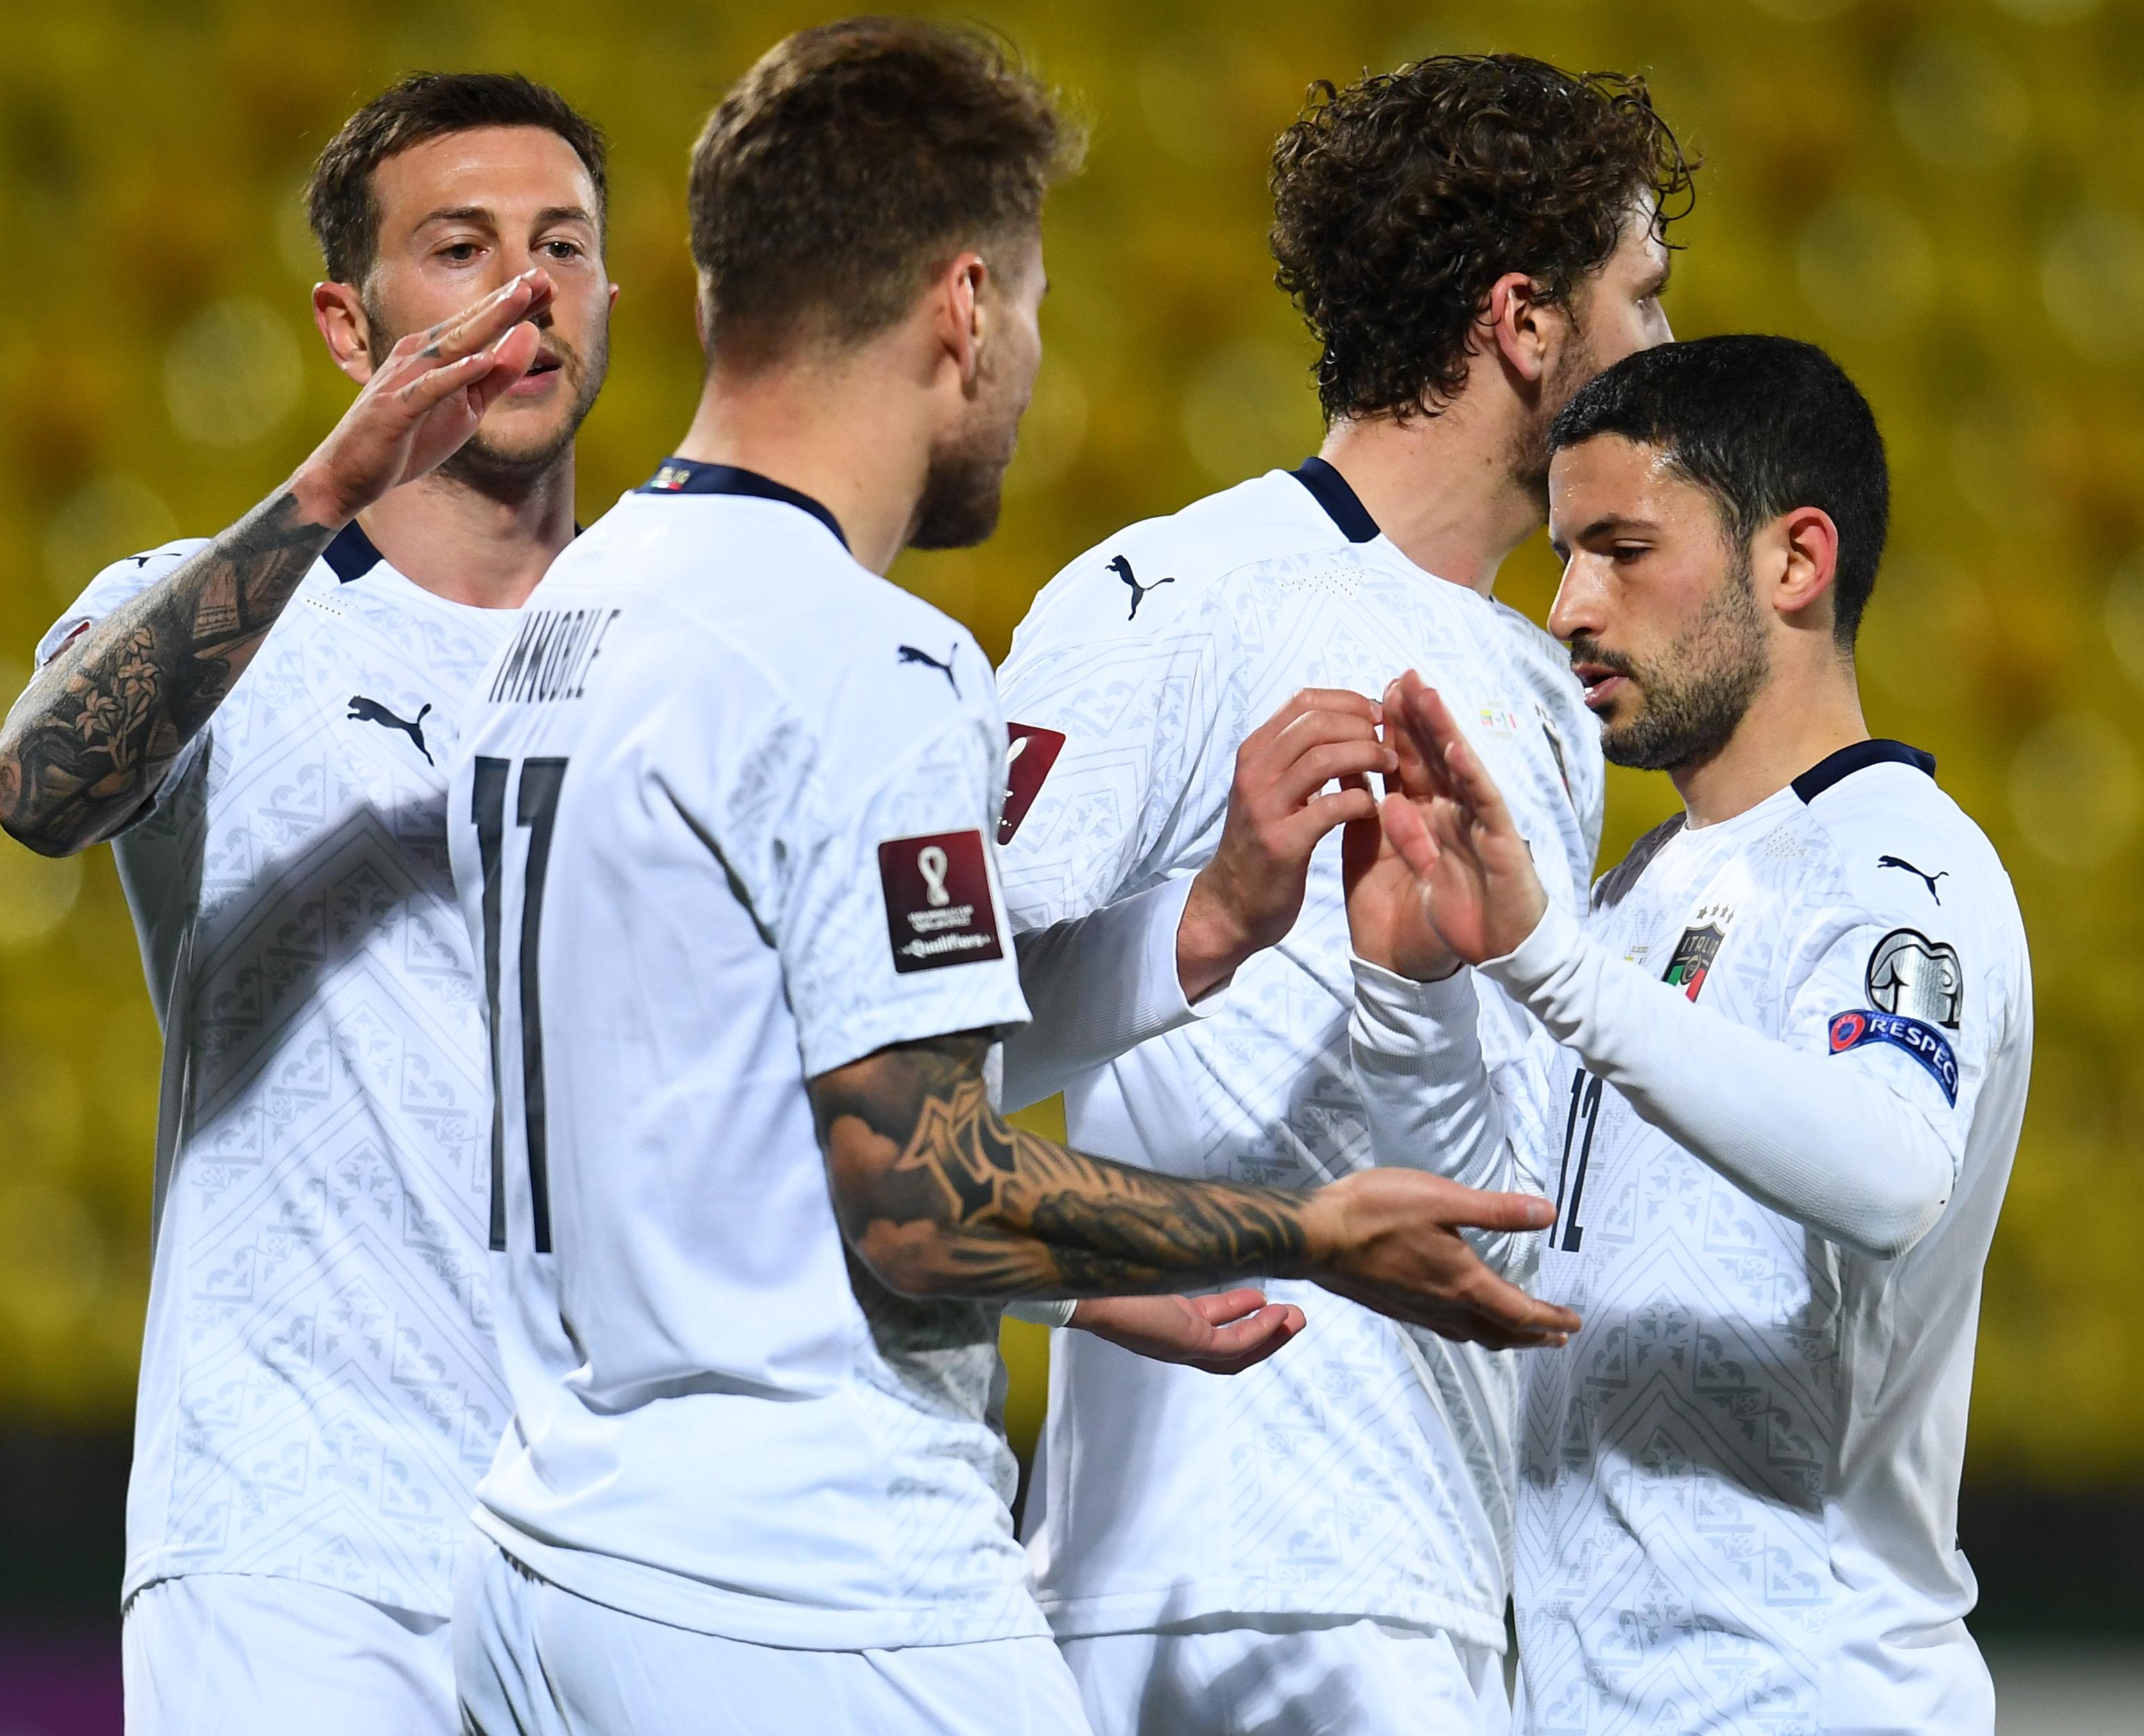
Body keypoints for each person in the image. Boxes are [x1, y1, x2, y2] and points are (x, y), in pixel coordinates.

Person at [441, 22, 1577, 1735]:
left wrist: (1194, 929)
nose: (1032, 362)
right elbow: (919, 1199)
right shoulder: (866, 662)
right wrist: (1311, 1232)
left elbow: (783, 1068)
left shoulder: (570, 619)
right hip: (806, 1579)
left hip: (548, 1550)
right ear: (963, 307)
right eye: (1032, 307)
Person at [990, 55, 1694, 1735]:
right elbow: (895, 1064)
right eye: (1643, 297)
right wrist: (1076, 1275)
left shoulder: (1540, 685)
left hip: (1428, 1574)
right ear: (1527, 321)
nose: (1665, 355)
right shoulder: (1168, 595)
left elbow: (1479, 1162)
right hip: (1212, 1588)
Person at [0, 72, 618, 1736]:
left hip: (622, 1547)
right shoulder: (218, 617)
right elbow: (37, 788)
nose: (525, 289)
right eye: (461, 246)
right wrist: (329, 489)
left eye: (563, 245)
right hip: (295, 1541)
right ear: (351, 323)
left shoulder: (683, 651)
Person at [1347, 334, 2031, 1735]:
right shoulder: (1633, 893)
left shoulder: (1901, 865)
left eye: (1622, 548)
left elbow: (1895, 1171)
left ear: (1795, 562)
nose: (1568, 610)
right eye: (1562, 554)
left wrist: (1555, 970)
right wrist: (1414, 991)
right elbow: (1514, 1247)